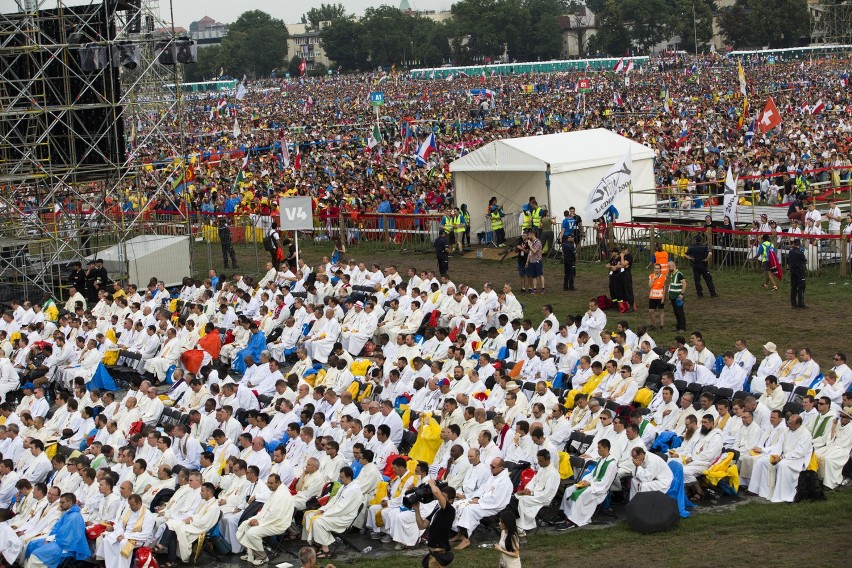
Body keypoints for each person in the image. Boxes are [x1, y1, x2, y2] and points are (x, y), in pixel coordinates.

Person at [22, 493, 89, 568]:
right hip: (58, 540)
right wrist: (49, 538)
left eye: (62, 502)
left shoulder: (74, 517)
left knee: (36, 555)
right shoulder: (68, 513)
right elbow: (57, 528)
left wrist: (50, 540)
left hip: (66, 546)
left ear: (70, 502)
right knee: (32, 544)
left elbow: (66, 537)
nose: (60, 505)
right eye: (60, 502)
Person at [413, 477, 455, 568]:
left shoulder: (450, 510)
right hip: (432, 554)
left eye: (443, 496)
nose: (440, 497)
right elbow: (422, 526)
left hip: (439, 555)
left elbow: (436, 493)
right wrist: (417, 510)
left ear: (450, 500)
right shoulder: (437, 509)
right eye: (441, 495)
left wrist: (432, 484)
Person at [667, 261, 686, 332]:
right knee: (676, 312)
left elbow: (684, 283)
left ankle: (682, 327)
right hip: (672, 296)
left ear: (673, 266)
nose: (668, 268)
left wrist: (682, 294)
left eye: (669, 267)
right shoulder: (672, 274)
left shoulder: (679, 274)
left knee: (680, 312)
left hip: (678, 296)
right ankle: (678, 326)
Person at [788, 238, 807, 309]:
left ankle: (793, 303)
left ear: (793, 244)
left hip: (792, 270)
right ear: (799, 244)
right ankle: (800, 303)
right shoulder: (800, 252)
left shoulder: (791, 252)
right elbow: (804, 260)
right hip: (799, 271)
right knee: (801, 287)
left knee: (793, 287)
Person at [524, 230, 544, 294]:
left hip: (537, 260)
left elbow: (534, 251)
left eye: (529, 235)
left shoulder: (538, 242)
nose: (528, 237)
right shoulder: (532, 242)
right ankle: (534, 288)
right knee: (534, 276)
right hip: (532, 261)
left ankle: (543, 288)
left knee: (540, 274)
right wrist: (527, 261)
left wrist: (530, 245)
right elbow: (530, 253)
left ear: (532, 234)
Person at [647, 263, 666, 331]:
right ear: (654, 269)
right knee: (651, 311)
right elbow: (649, 286)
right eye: (655, 268)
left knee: (661, 311)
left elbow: (664, 288)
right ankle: (653, 324)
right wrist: (653, 279)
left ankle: (661, 325)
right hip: (652, 296)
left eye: (658, 268)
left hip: (660, 296)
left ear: (660, 269)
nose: (657, 270)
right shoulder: (651, 276)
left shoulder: (663, 277)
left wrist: (663, 297)